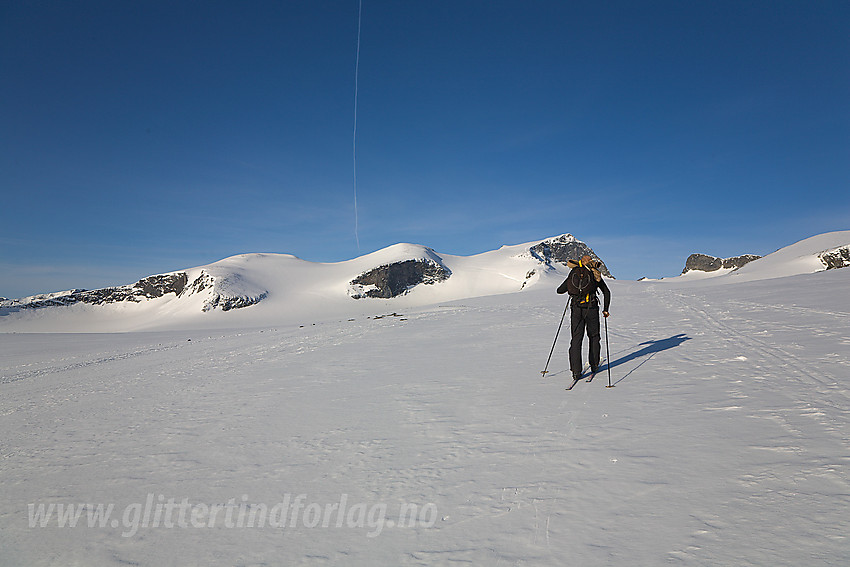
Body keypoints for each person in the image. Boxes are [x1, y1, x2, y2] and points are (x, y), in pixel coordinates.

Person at [557, 255, 611, 380]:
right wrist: (606, 309)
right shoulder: (593, 273)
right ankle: (594, 365)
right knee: (594, 337)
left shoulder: (573, 273)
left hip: (576, 310)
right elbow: (606, 292)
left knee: (576, 339)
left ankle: (576, 371)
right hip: (591, 309)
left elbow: (560, 290)